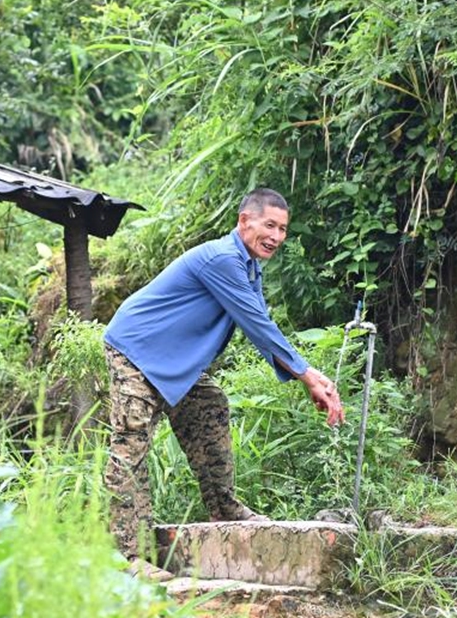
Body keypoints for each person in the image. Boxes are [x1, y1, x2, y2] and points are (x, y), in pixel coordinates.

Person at [103, 187, 345, 576]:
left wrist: (304, 374)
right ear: (244, 221)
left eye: (283, 229)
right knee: (132, 444)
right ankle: (127, 554)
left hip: (175, 361)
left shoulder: (249, 267)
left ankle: (224, 508)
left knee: (209, 405)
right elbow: (256, 322)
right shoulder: (222, 259)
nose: (277, 237)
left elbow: (258, 323)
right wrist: (308, 375)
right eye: (270, 225)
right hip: (136, 349)